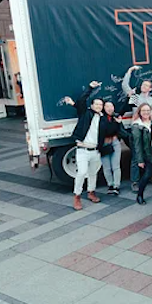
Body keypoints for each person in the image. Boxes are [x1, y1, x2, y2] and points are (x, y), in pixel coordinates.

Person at [63, 81, 106, 210]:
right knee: (81, 173)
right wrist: (90, 88)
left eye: (101, 104)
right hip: (83, 149)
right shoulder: (86, 113)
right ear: (92, 105)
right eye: (96, 104)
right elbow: (81, 101)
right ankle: (77, 196)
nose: (99, 106)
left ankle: (91, 192)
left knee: (93, 173)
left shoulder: (103, 118)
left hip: (95, 151)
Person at [131, 103, 152, 205]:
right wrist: (140, 160)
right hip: (147, 154)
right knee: (147, 175)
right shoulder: (137, 125)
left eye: (147, 110)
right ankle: (140, 195)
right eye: (143, 111)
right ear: (139, 112)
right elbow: (137, 145)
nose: (146, 112)